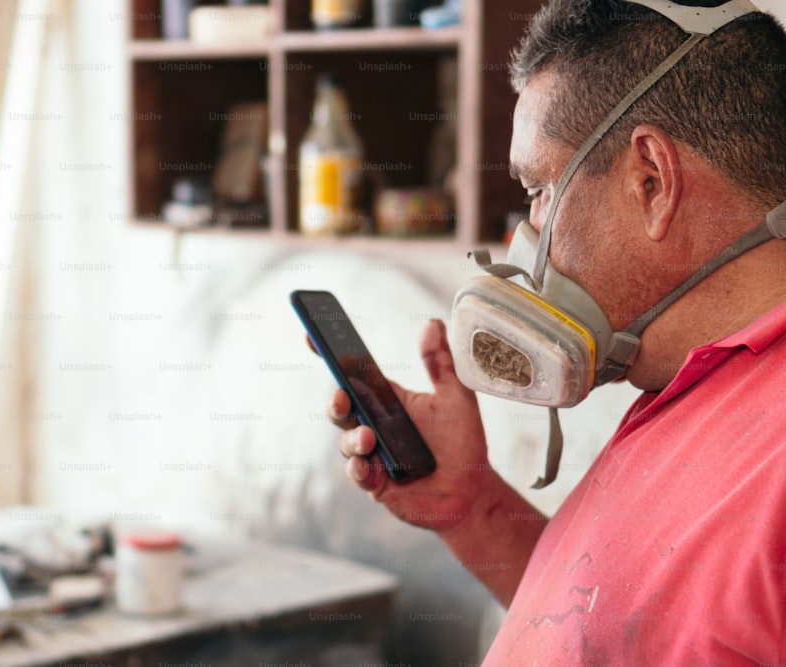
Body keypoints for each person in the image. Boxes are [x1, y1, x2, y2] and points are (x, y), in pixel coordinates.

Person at [327, 0, 786, 662]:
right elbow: (618, 630)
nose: (526, 235)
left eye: (539, 189)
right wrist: (472, 505)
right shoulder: (685, 384)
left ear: (651, 181)